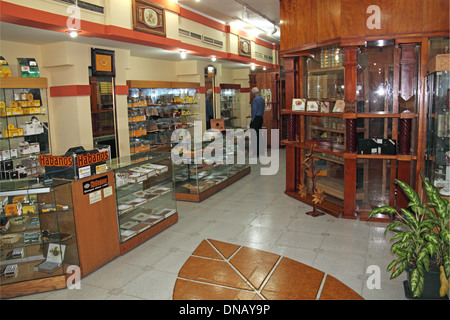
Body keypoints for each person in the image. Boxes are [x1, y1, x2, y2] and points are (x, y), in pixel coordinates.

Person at [250, 87, 265, 157]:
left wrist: (252, 120)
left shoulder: (255, 100)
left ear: (253, 93)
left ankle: (256, 152)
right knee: (259, 135)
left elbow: (254, 111)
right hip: (260, 118)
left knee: (254, 136)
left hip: (256, 118)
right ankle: (261, 151)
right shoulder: (262, 99)